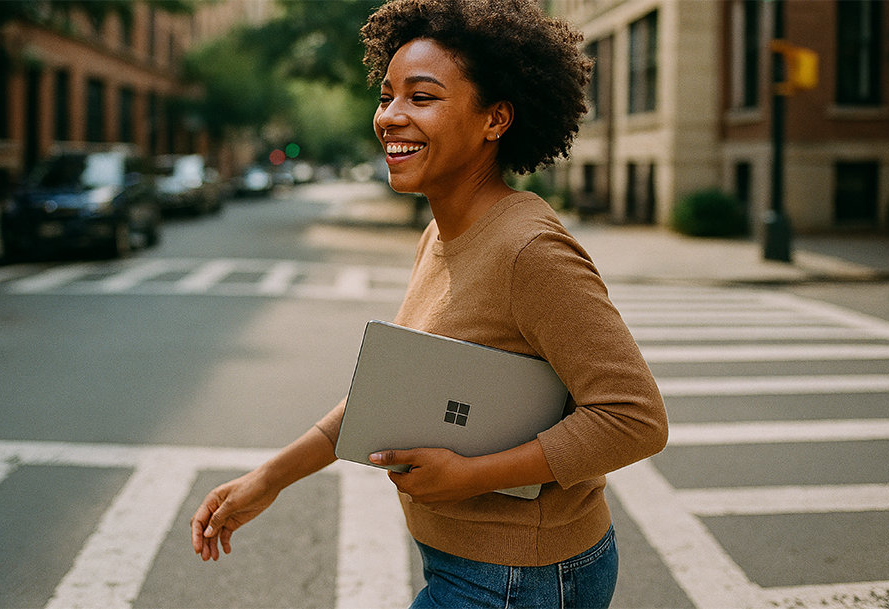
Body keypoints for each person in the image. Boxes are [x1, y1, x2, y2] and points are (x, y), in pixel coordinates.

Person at [190, 0, 669, 607]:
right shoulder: (442, 232)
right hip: (471, 566)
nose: (389, 117)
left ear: (495, 119)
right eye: (387, 95)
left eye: (421, 97)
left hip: (519, 578)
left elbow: (636, 419)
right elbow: (387, 393)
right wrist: (269, 479)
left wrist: (471, 476)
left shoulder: (530, 251)